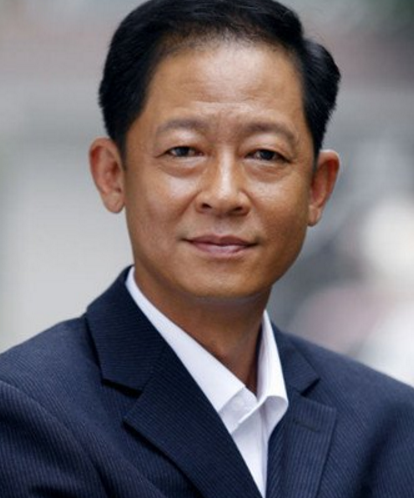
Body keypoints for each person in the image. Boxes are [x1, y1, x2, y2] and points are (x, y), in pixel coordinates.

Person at [0, 0, 413, 496]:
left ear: (317, 188)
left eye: (265, 154)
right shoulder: (26, 414)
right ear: (112, 174)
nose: (224, 194)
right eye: (184, 151)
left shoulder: (390, 427)